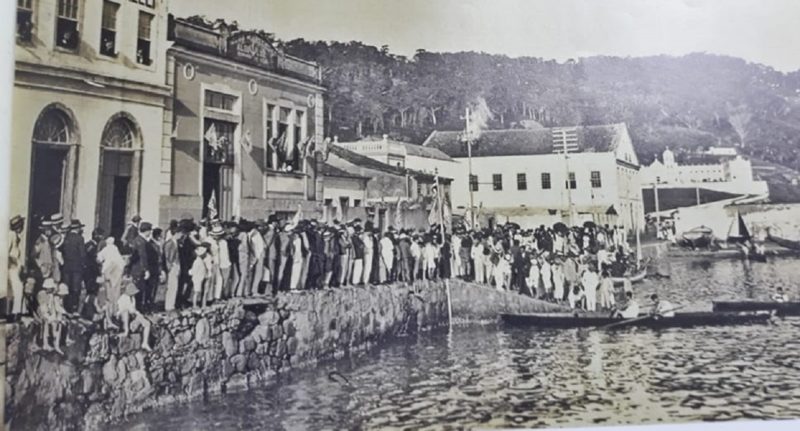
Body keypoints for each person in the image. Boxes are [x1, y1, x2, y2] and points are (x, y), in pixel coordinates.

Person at [117, 277, 153, 351]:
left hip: (132, 315)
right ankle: (126, 331)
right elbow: (126, 310)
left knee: (147, 323)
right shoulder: (123, 298)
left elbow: (134, 309)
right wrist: (136, 313)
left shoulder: (133, 298)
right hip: (123, 317)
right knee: (126, 312)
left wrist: (139, 315)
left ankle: (145, 343)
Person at [128, 221, 152, 309]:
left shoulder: (137, 240)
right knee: (139, 290)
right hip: (139, 269)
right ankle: (138, 308)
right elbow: (143, 256)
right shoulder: (141, 242)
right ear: (147, 231)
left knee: (137, 289)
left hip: (135, 269)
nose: (150, 233)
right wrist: (146, 270)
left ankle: (136, 307)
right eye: (150, 231)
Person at [8, 215, 26, 316]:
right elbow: (6, 251)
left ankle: (14, 311)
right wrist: (12, 261)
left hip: (15, 266)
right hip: (12, 266)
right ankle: (15, 312)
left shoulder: (16, 235)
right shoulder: (11, 235)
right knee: (18, 288)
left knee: (15, 289)